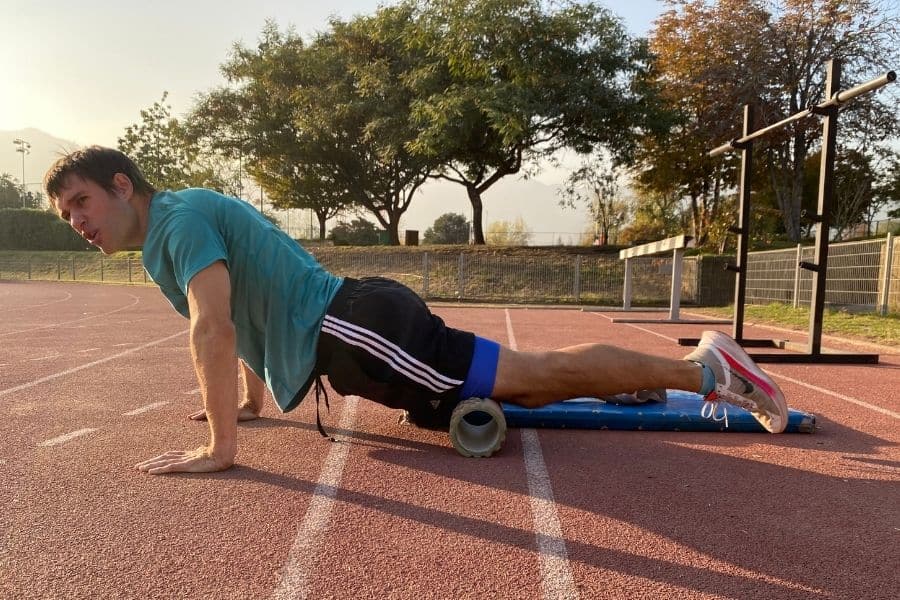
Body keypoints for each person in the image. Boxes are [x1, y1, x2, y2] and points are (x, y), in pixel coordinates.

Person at [43, 147, 789, 475]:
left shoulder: (174, 223)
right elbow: (237, 320)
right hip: (357, 327)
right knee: (519, 382)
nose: (76, 220)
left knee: (528, 380)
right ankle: (659, 374)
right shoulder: (169, 232)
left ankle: (703, 369)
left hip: (359, 332)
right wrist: (248, 400)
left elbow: (215, 323)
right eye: (64, 214)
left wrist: (223, 447)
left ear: (121, 184)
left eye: (81, 201)